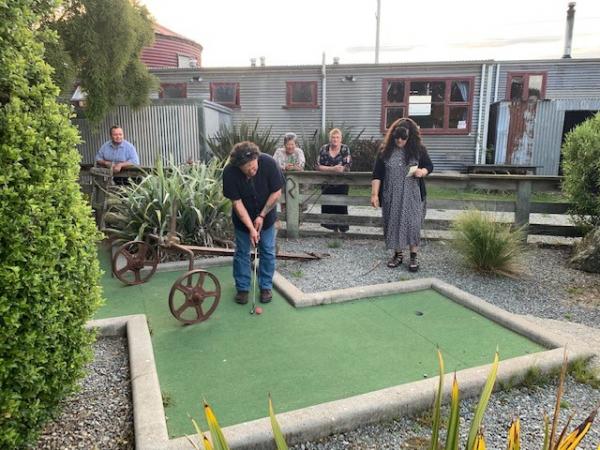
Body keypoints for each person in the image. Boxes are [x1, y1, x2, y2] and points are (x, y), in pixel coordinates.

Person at [222, 141, 284, 304]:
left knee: (268, 251)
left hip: (267, 216)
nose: (251, 169)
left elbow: (277, 192)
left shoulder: (269, 163)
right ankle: (242, 288)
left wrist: (262, 215)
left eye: (253, 165)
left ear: (257, 158)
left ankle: (265, 287)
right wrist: (251, 228)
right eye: (247, 168)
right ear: (238, 167)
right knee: (242, 252)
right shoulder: (229, 172)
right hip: (242, 220)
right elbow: (237, 203)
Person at [370, 118, 433, 272]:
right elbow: (377, 174)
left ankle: (413, 256)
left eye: (403, 138)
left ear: (409, 137)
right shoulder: (385, 151)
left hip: (413, 195)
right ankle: (397, 254)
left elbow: (429, 166)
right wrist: (374, 195)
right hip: (391, 195)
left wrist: (422, 171)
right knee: (394, 222)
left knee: (413, 223)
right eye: (396, 137)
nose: (399, 141)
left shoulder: (419, 150)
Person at [316, 128, 352, 232]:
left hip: (342, 183)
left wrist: (327, 168)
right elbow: (318, 166)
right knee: (328, 204)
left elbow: (346, 166)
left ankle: (342, 229)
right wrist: (333, 169)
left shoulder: (345, 149)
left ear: (341, 139)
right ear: (330, 138)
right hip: (326, 182)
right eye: (333, 137)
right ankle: (332, 229)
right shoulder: (324, 148)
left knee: (341, 205)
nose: (335, 139)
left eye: (337, 137)